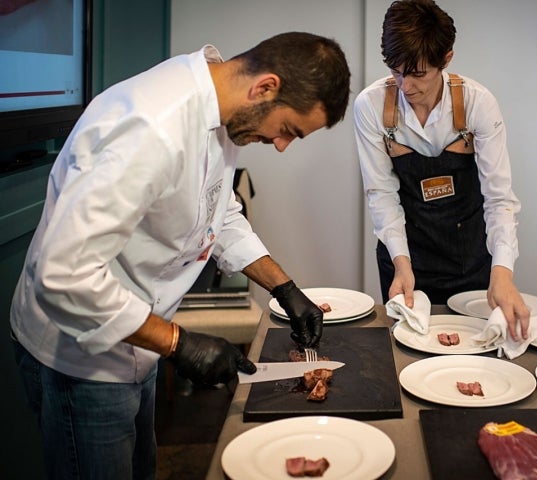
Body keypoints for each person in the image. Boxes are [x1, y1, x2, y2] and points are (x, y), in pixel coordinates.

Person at [10, 32, 350, 479]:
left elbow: (220, 213)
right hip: (80, 351)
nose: (282, 145)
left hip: (136, 334)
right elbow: (63, 274)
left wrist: (284, 287)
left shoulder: (221, 114)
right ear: (265, 88)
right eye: (288, 130)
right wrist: (179, 343)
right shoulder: (152, 126)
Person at [353, 0, 530, 339]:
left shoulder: (478, 103)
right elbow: (381, 194)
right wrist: (402, 264)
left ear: (446, 60)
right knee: (408, 355)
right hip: (405, 257)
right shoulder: (371, 106)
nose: (405, 87)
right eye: (396, 71)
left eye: (418, 74)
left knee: (474, 354)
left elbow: (499, 199)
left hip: (469, 257)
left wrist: (503, 272)